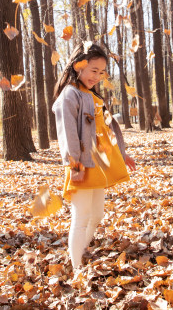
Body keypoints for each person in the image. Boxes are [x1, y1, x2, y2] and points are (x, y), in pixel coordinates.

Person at [53, 42, 137, 271]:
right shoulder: (69, 96)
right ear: (78, 65)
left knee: (97, 214)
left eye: (102, 72)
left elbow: (109, 127)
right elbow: (68, 135)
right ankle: (77, 267)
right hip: (82, 164)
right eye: (93, 71)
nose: (98, 76)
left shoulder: (91, 95)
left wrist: (122, 152)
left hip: (99, 163)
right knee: (81, 216)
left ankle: (82, 251)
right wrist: (75, 165)